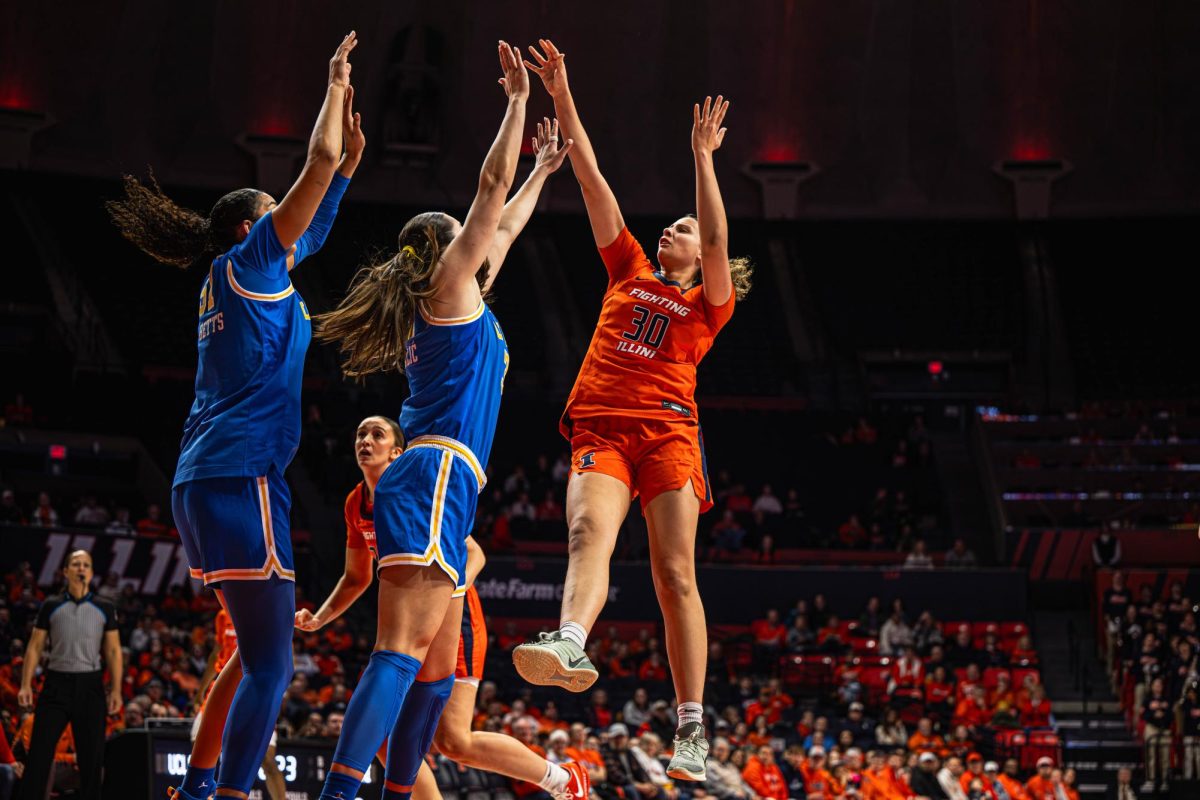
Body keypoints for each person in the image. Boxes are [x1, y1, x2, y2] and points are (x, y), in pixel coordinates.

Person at [311, 42, 578, 800]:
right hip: (432, 470)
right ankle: (337, 792)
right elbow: (489, 193)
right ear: (443, 248)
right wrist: (518, 104)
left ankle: (394, 794)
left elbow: (506, 222)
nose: (479, 237)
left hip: (440, 476)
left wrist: (541, 173)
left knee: (430, 665)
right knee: (398, 652)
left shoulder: (461, 296)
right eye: (464, 235)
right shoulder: (448, 289)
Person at [107, 30, 363, 800]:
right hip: (240, 472)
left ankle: (204, 787)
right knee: (273, 665)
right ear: (255, 226)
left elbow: (321, 203)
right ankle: (228, 793)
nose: (288, 218)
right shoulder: (248, 261)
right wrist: (332, 85)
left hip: (205, 478)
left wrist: (350, 161)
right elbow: (311, 173)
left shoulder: (249, 271)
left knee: (252, 660)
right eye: (273, 210)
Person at [512, 39, 752, 785]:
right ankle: (572, 639)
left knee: (673, 575)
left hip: (668, 436)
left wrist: (703, 159)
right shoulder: (629, 270)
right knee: (587, 533)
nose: (670, 233)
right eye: (671, 228)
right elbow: (589, 177)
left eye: (679, 229)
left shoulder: (710, 303)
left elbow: (715, 237)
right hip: (601, 427)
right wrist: (561, 93)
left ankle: (690, 730)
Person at [293, 415, 588, 800]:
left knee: (453, 740)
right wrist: (320, 617)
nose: (365, 440)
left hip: (454, 614)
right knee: (380, 730)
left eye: (377, 435)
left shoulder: (416, 487)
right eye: (360, 433)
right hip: (410, 617)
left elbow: (473, 552)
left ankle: (562, 779)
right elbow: (355, 577)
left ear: (397, 453)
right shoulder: (356, 503)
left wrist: (450, 595)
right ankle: (562, 780)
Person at [16, 550, 122, 800]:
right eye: (75, 564)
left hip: (91, 685)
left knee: (92, 758)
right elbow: (34, 646)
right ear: (65, 571)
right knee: (39, 755)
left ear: (92, 572)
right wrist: (25, 685)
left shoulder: (104, 608)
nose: (81, 568)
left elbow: (114, 651)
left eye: (86, 565)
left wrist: (116, 689)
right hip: (56, 684)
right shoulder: (52, 605)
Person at [189, 606, 286, 800]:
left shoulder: (269, 610)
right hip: (223, 688)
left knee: (267, 759)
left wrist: (276, 691)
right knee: (202, 754)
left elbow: (284, 656)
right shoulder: (222, 615)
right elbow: (217, 652)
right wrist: (201, 690)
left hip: (256, 688)